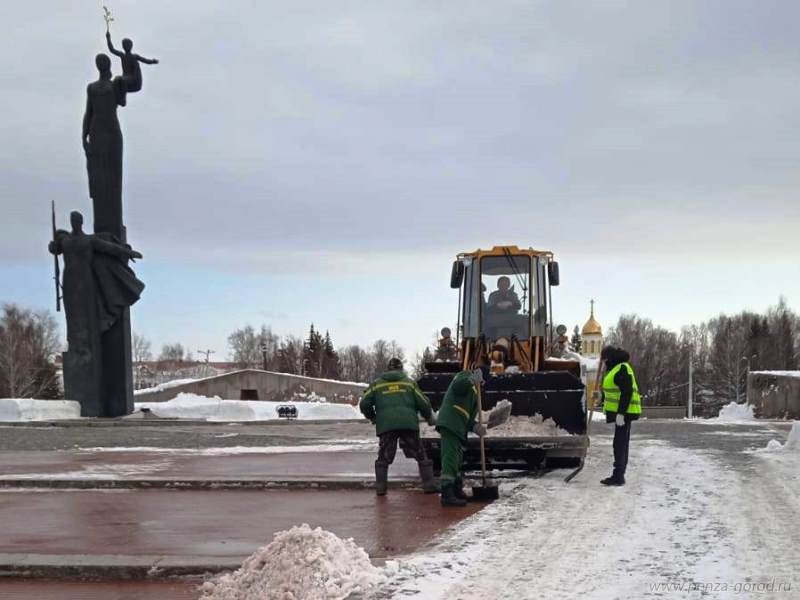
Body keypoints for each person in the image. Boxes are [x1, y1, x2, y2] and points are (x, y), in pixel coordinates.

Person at [359, 358, 437, 496]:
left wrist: (374, 417)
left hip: (387, 426)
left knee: (384, 456)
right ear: (401, 369)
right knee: (420, 454)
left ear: (388, 369)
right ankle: (429, 486)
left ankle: (381, 489)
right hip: (408, 424)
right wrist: (429, 417)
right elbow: (424, 403)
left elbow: (364, 403)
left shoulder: (376, 384)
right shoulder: (409, 383)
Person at [436, 370, 486, 507]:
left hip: (458, 427)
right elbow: (458, 385)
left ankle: (456, 490)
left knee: (457, 459)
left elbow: (468, 418)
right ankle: (447, 494)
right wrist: (471, 378)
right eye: (481, 381)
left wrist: (476, 427)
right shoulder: (464, 377)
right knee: (450, 458)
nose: (481, 384)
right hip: (450, 422)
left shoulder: (476, 396)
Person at [599, 346, 641, 486]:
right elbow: (613, 391)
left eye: (605, 359)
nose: (604, 362)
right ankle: (618, 475)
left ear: (610, 357)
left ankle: (618, 476)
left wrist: (621, 414)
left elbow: (627, 392)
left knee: (620, 444)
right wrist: (600, 396)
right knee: (620, 443)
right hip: (621, 413)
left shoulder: (622, 368)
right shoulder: (614, 369)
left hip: (625, 413)